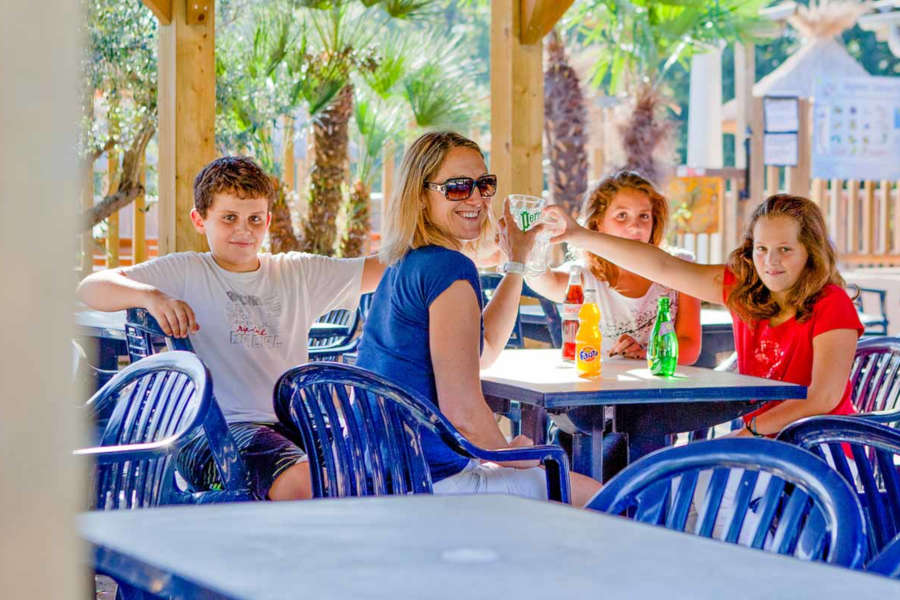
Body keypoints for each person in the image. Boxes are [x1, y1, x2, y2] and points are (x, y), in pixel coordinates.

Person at [76, 156, 386, 501]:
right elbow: (91, 288)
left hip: (293, 426)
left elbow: (381, 268)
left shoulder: (297, 273)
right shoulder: (186, 272)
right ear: (200, 220)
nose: (244, 230)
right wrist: (151, 296)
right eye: (229, 218)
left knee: (371, 472)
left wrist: (434, 238)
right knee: (304, 483)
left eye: (255, 219)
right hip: (211, 435)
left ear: (268, 220)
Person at [355, 131, 602, 506]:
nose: (475, 198)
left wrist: (516, 263)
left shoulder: (407, 262)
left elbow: (481, 353)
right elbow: (464, 414)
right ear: (420, 196)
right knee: (609, 499)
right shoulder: (448, 268)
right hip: (431, 482)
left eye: (484, 185)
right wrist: (512, 455)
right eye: (457, 187)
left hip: (383, 475)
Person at [544, 193, 864, 437]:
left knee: (695, 480)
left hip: (823, 447)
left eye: (785, 249)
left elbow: (823, 397)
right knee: (683, 479)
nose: (771, 261)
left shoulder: (831, 302)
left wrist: (748, 434)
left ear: (810, 251)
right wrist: (578, 235)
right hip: (766, 443)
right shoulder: (745, 290)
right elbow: (662, 266)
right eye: (762, 249)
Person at [527, 170, 701, 363]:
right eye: (622, 215)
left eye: (644, 216)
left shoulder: (680, 268)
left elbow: (690, 347)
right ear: (598, 223)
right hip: (599, 380)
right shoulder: (584, 275)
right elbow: (545, 282)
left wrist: (645, 354)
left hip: (664, 382)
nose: (635, 226)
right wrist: (529, 245)